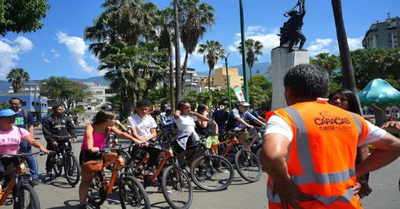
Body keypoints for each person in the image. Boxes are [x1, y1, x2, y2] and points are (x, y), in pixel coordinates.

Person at [261, 63, 400, 209]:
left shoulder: (284, 117)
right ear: (325, 91)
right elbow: (395, 146)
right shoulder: (353, 119)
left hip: (299, 203)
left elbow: (273, 155)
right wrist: (356, 173)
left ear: (288, 90)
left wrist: (284, 184)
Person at [78, 110, 140, 209]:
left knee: (117, 156)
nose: (116, 120)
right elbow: (89, 137)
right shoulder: (91, 126)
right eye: (114, 119)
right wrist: (91, 148)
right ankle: (82, 204)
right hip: (89, 154)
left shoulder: (109, 127)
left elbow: (121, 133)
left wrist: (136, 140)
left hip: (102, 151)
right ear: (106, 120)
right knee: (86, 181)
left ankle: (117, 177)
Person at [328, 88, 372, 199]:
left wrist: (362, 180)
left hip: (351, 176)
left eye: (343, 100)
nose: (338, 101)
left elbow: (363, 152)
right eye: (334, 98)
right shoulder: (319, 121)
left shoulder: (358, 123)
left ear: (350, 103)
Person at [0, 108, 49, 190]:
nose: (12, 119)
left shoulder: (19, 130)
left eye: (13, 117)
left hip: (13, 159)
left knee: (15, 183)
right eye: (9, 117)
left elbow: (32, 141)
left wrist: (42, 147)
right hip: (0, 159)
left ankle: (19, 201)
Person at [8, 97, 40, 185]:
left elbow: (30, 126)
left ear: (20, 104)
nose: (14, 105)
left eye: (16, 103)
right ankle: (11, 178)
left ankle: (35, 176)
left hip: (24, 139)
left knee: (29, 157)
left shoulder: (25, 113)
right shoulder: (6, 114)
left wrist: (31, 138)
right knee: (10, 158)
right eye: (12, 103)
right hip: (10, 140)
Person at [42, 105, 76, 181]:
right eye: (59, 109)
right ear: (53, 110)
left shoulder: (66, 118)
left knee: (68, 154)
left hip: (65, 139)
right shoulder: (48, 120)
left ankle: (69, 170)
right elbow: (46, 132)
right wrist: (52, 140)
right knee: (51, 156)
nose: (61, 111)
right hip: (54, 141)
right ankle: (49, 172)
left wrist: (73, 136)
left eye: (62, 109)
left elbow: (71, 128)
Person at [127, 99, 159, 176]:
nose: (144, 111)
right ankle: (131, 176)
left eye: (146, 109)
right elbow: (134, 133)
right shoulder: (131, 118)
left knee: (157, 157)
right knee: (136, 160)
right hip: (138, 141)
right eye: (142, 109)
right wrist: (142, 141)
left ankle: (151, 171)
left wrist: (147, 139)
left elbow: (154, 133)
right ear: (137, 109)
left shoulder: (150, 118)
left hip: (149, 140)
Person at [174, 101, 209, 165]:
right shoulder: (179, 117)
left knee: (191, 159)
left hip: (192, 138)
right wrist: (178, 111)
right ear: (181, 108)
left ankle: (193, 174)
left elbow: (206, 119)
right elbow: (176, 115)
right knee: (180, 159)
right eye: (186, 108)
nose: (189, 109)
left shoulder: (191, 117)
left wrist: (195, 113)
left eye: (190, 108)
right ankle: (177, 174)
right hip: (182, 139)